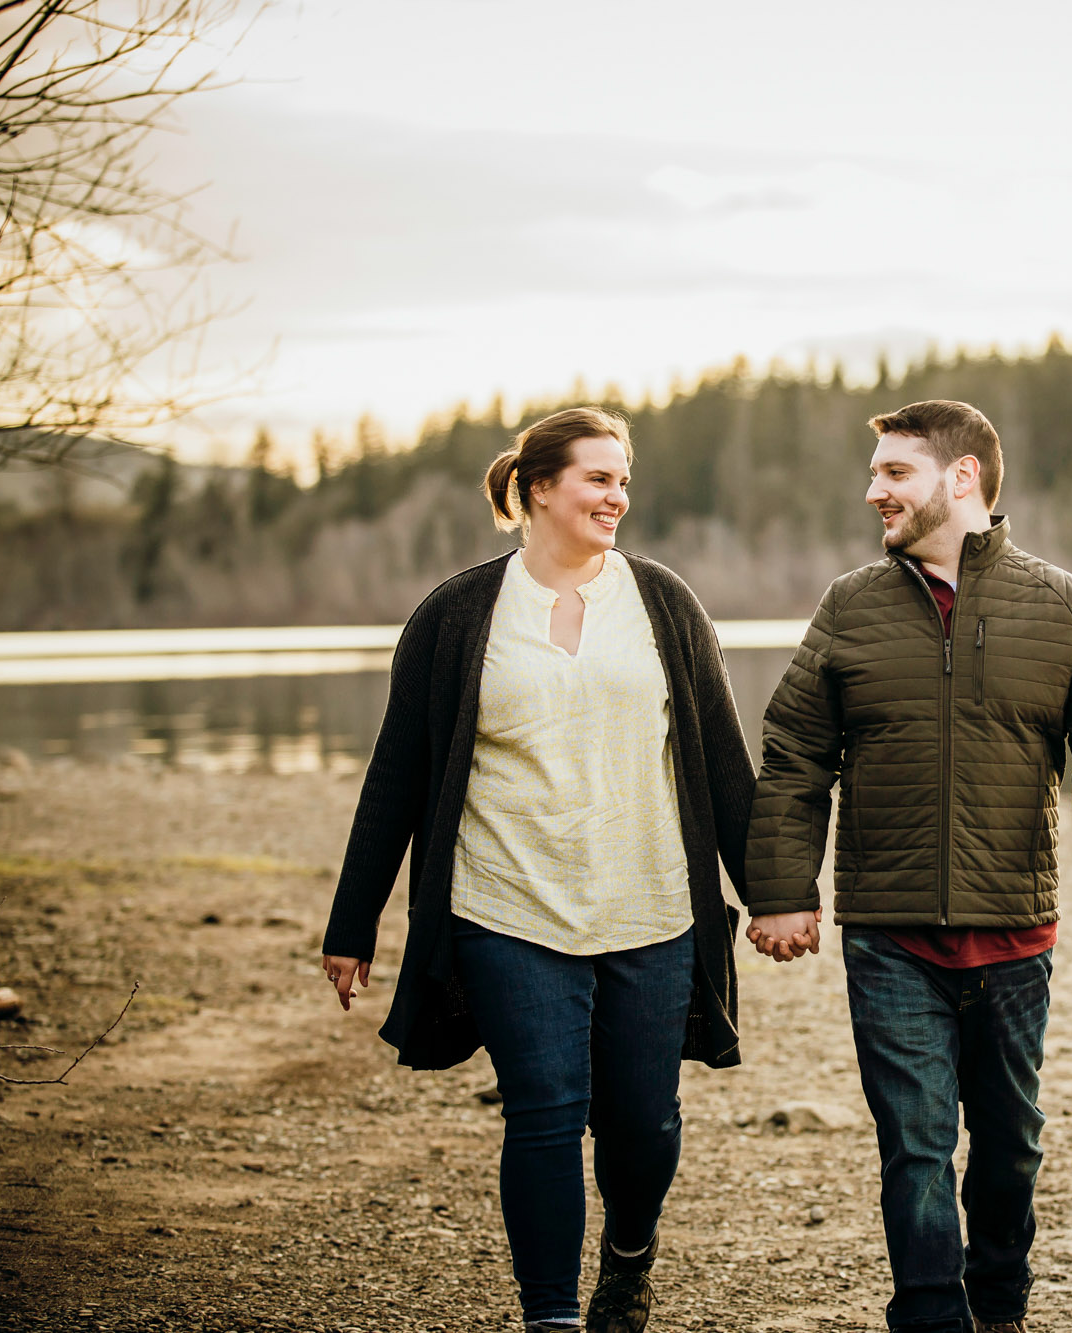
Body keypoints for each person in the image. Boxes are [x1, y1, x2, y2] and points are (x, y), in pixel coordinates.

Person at [318, 407, 754, 1333]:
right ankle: (551, 1318)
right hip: (506, 903)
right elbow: (397, 772)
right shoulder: (457, 613)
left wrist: (777, 895)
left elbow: (720, 755)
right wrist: (353, 925)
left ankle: (629, 1254)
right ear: (538, 487)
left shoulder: (663, 603)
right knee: (545, 1116)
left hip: (652, 905)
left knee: (642, 1124)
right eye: (599, 478)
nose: (617, 495)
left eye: (623, 478)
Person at [744, 399, 1072, 1333]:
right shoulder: (850, 607)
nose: (873, 489)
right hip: (889, 935)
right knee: (917, 1145)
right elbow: (794, 755)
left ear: (961, 477)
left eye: (895, 472)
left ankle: (1001, 1306)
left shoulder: (1060, 605)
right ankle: (932, 1317)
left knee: (1009, 1146)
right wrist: (781, 891)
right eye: (875, 470)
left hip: (1014, 933)